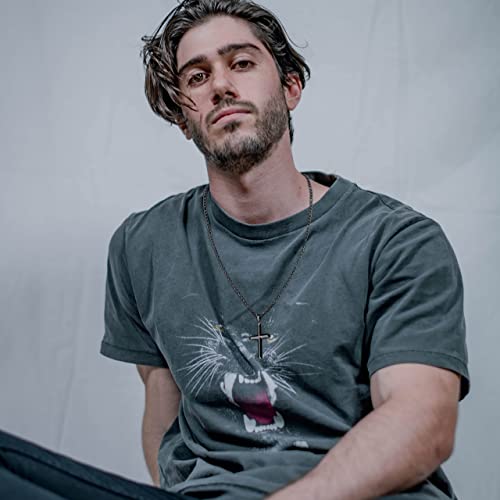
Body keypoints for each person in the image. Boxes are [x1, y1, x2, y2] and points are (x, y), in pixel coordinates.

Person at [0, 1, 470, 499]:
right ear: (184, 118)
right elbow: (163, 415)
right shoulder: (144, 245)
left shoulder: (395, 240)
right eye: (197, 76)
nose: (221, 85)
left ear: (290, 88)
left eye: (241, 63)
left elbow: (422, 423)